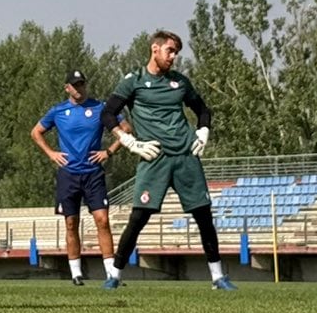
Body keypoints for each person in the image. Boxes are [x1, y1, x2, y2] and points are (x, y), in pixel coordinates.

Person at [102, 32, 233, 291]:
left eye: (176, 53)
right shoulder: (133, 81)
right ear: (155, 49)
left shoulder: (180, 82)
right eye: (170, 51)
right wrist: (129, 142)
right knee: (138, 218)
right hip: (154, 158)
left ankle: (218, 278)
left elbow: (203, 110)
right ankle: (114, 276)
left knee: (204, 216)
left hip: (185, 156)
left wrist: (203, 131)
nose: (173, 57)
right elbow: (107, 114)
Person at [31, 71, 121, 285]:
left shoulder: (100, 108)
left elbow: (125, 130)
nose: (79, 88)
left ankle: (112, 273)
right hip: (68, 175)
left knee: (102, 220)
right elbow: (36, 132)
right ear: (67, 88)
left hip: (93, 174)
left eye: (82, 84)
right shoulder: (58, 111)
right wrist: (51, 153)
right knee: (71, 223)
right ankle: (76, 273)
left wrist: (109, 151)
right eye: (75, 85)